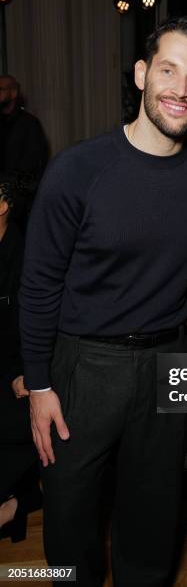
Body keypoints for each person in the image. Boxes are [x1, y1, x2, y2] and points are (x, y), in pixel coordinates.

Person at [20, 16, 187, 587]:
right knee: (67, 511)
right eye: (168, 70)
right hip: (86, 364)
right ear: (141, 75)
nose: (181, 90)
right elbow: (38, 287)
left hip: (171, 360)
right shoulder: (77, 171)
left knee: (154, 514)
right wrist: (38, 385)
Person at [0, 182, 41, 542]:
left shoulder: (25, 253)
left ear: (4, 205)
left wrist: (27, 371)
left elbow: (36, 320)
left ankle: (18, 501)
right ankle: (18, 500)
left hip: (18, 369)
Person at [0, 75, 49, 229]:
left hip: (19, 206)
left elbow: (32, 168)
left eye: (0, 89)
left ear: (13, 93)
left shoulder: (30, 125)